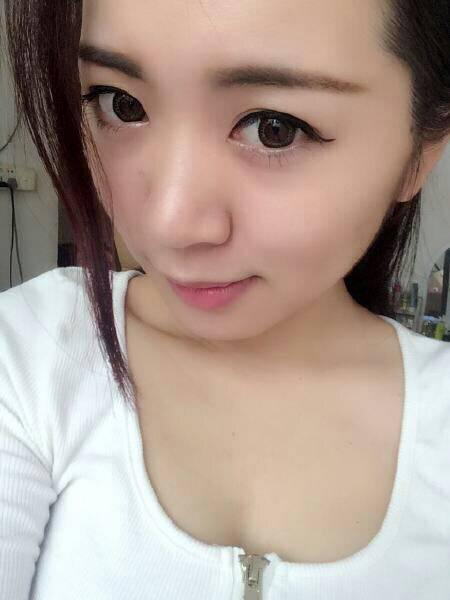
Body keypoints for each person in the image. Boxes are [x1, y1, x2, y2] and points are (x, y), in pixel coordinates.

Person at [1, 1, 450, 598]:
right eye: (121, 104)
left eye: (274, 127)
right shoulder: (28, 358)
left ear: (422, 150)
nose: (169, 224)